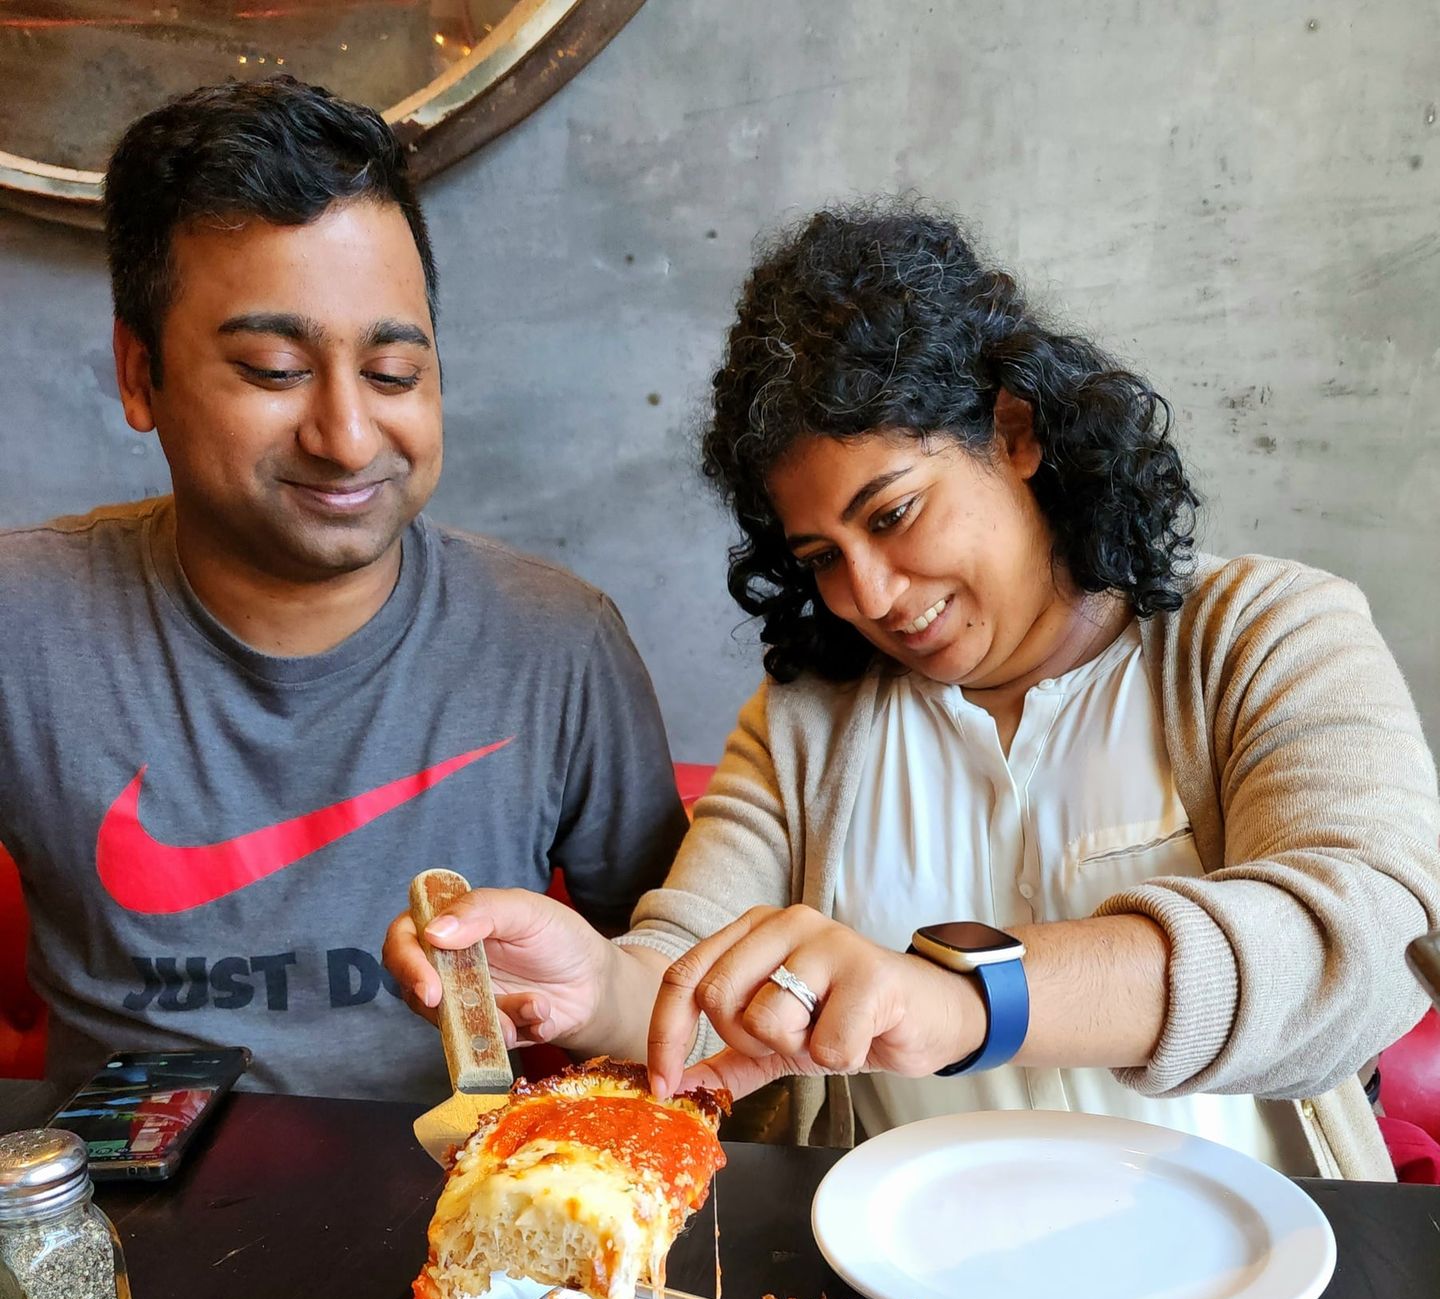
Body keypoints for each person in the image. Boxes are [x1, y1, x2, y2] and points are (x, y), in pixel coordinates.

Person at [385, 204, 1440, 1177]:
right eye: (822, 556)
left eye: (890, 515)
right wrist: (597, 986)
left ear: (1017, 434)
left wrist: (968, 999)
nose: (870, 595)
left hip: (1259, 1278)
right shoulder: (808, 721)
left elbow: (1368, 941)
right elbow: (694, 977)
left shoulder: (1263, 635)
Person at [0, 79, 684, 1098]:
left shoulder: (557, 645)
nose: (347, 436)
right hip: (115, 1232)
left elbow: (669, 1013)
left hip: (460, 1224)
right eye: (275, 369)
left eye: (394, 373)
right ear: (140, 374)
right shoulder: (25, 626)